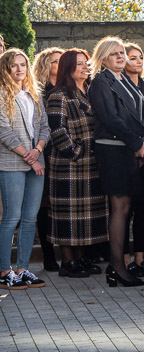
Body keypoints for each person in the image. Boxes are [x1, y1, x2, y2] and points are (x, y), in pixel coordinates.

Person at [87, 36, 144, 288]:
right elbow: (111, 119)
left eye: (123, 53)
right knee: (120, 206)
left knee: (127, 206)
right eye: (115, 54)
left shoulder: (125, 80)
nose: (121, 57)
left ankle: (119, 266)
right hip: (112, 149)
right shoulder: (101, 82)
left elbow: (138, 114)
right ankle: (117, 267)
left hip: (129, 148)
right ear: (102, 59)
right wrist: (138, 144)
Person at [46, 49, 109, 278]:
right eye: (80, 64)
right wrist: (76, 152)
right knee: (67, 215)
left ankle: (81, 259)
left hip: (91, 164)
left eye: (86, 63)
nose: (85, 67)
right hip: (69, 166)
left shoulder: (90, 91)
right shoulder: (59, 95)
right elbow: (57, 130)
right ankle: (67, 262)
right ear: (68, 68)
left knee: (85, 215)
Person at [0, 49, 49, 289]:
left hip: (35, 161)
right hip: (11, 163)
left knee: (30, 218)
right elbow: (4, 132)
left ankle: (23, 268)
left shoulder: (33, 94)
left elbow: (45, 128)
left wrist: (38, 150)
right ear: (5, 69)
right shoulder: (1, 94)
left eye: (23, 65)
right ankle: (4, 271)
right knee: (12, 217)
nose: (19, 70)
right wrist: (32, 158)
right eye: (13, 66)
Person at [122, 42, 144, 277]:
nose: (138, 61)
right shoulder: (118, 86)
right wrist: (137, 146)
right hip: (126, 153)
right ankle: (125, 259)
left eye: (140, 57)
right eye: (132, 57)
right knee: (126, 210)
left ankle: (141, 257)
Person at [33, 46, 64, 272]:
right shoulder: (39, 92)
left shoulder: (69, 88)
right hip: (45, 153)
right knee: (44, 207)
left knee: (61, 205)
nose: (59, 64)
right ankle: (48, 254)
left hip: (65, 156)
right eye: (55, 61)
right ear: (45, 66)